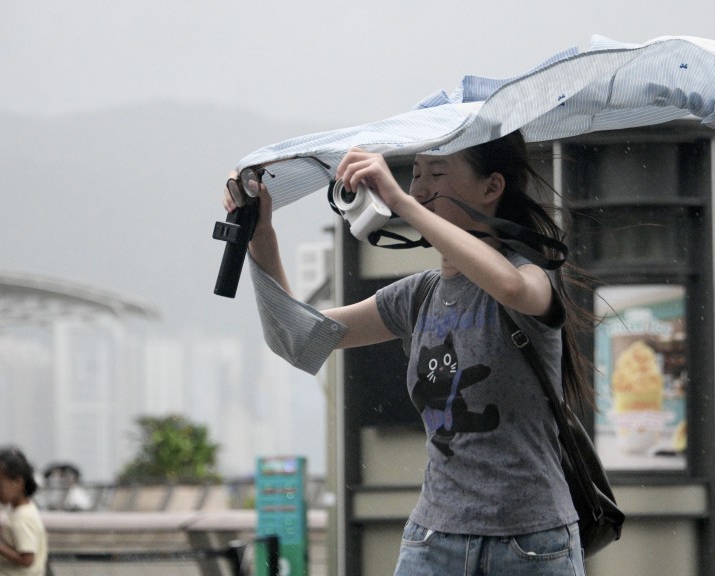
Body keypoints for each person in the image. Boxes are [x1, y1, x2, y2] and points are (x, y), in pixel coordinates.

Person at [224, 130, 593, 575]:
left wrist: (402, 204)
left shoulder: (531, 275)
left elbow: (512, 288)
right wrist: (260, 234)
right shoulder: (417, 296)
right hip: (433, 541)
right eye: (415, 175)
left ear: (491, 187)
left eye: (436, 174)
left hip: (532, 544)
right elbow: (298, 338)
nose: (419, 189)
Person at [0, 448, 49, 576]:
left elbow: (27, 559)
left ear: (18, 482)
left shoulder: (22, 518)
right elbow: (7, 536)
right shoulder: (16, 510)